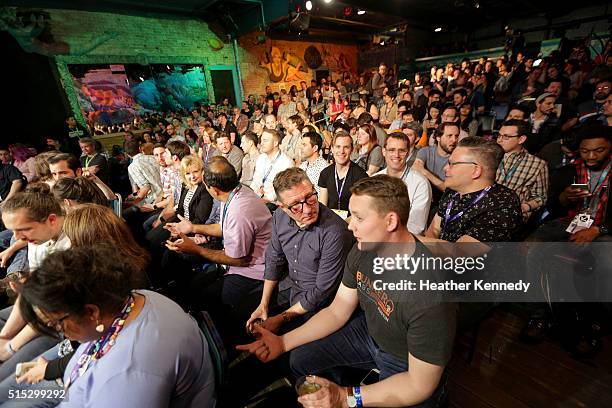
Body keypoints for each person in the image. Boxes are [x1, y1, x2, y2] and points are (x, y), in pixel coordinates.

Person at [237, 175, 457, 408]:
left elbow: (419, 385)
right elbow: (338, 310)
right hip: (369, 333)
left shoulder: (429, 294)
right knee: (299, 359)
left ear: (390, 221)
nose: (350, 225)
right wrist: (283, 342)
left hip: (404, 359)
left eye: (359, 218)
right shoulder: (364, 249)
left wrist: (345, 397)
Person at [18, 245, 216, 407]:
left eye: (58, 323)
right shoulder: (136, 299)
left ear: (91, 312)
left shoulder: (129, 377)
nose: (60, 331)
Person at [165, 156, 271, 327]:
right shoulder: (234, 192)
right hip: (240, 263)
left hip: (254, 272)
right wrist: (192, 228)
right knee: (194, 286)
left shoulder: (239, 210)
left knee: (206, 300)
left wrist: (196, 249)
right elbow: (223, 227)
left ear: (213, 189)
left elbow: (238, 259)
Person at [246, 167, 354, 335]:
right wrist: (264, 304)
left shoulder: (335, 232)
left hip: (318, 304)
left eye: (310, 198)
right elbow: (274, 259)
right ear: (282, 207)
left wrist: (281, 318)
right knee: (243, 311)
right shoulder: (279, 217)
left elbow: (321, 292)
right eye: (296, 205)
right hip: (289, 286)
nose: (308, 209)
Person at [426, 137, 522, 243]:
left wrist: (408, 239)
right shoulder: (453, 190)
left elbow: (459, 253)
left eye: (452, 164)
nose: (445, 168)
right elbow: (434, 230)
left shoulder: (503, 203)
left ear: (476, 171)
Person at [375, 132, 432, 235]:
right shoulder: (374, 180)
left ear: (408, 152)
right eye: (391, 150)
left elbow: (416, 226)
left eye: (401, 151)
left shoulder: (420, 183)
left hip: (403, 242)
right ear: (384, 151)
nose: (396, 155)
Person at [495, 119, 549, 222]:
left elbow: (540, 197)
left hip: (512, 218)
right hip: (485, 211)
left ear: (521, 139)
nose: (499, 140)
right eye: (499, 135)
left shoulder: (537, 164)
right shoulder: (490, 156)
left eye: (506, 137)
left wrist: (524, 207)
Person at [318, 131, 368, 219]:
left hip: (352, 223)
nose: (341, 151)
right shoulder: (325, 173)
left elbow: (361, 211)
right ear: (332, 149)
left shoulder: (361, 176)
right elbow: (323, 206)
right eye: (338, 147)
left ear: (352, 150)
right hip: (329, 222)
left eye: (346, 147)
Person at [251, 129, 294, 203]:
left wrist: (266, 198)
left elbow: (283, 189)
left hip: (274, 203)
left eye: (265, 140)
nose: (261, 143)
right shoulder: (261, 158)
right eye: (261, 140)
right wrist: (255, 192)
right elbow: (255, 180)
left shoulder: (286, 162)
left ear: (275, 143)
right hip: (257, 197)